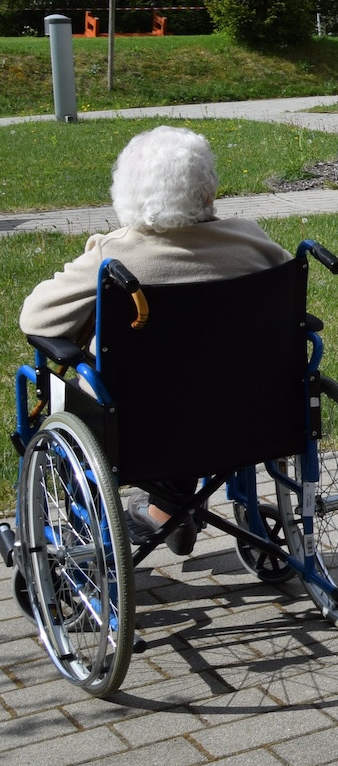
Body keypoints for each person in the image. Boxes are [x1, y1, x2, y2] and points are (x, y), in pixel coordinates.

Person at [19, 126, 291, 554]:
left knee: (74, 394)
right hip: (252, 416)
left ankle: (148, 509)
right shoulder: (253, 241)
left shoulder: (114, 258)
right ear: (207, 191)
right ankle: (169, 506)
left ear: (127, 193)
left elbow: (36, 318)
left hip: (138, 429)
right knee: (190, 383)